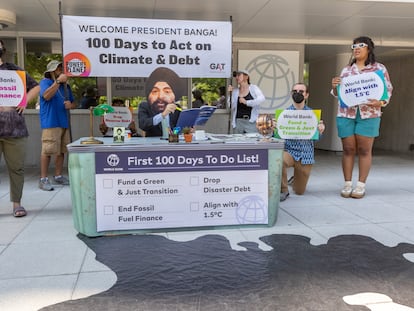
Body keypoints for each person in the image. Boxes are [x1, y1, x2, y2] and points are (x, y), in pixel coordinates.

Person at [331, 36, 393, 199]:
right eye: (354, 46)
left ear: (369, 49)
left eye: (361, 45)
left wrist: (380, 102)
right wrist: (335, 87)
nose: (356, 48)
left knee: (365, 150)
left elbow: (388, 89)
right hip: (346, 114)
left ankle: (360, 185)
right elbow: (340, 95)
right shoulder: (346, 70)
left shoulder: (379, 69)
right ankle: (347, 183)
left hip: (370, 114)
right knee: (348, 149)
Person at [0, 39, 40, 217]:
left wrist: (24, 101)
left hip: (15, 129)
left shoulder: (14, 70)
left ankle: (17, 204)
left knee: (16, 168)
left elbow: (36, 86)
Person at [279, 83, 325, 201]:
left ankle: (295, 179)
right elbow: (278, 137)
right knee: (279, 160)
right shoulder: (284, 114)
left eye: (301, 91)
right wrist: (274, 128)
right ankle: (283, 190)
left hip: (306, 154)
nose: (297, 93)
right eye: (295, 91)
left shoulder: (313, 115)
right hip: (289, 151)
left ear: (306, 95)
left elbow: (317, 138)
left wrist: (320, 131)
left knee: (299, 191)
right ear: (291, 94)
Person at [38, 60, 76, 191]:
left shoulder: (66, 87)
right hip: (51, 121)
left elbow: (73, 103)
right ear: (52, 71)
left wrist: (70, 105)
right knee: (47, 150)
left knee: (61, 151)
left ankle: (58, 175)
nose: (61, 70)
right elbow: (46, 96)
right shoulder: (45, 82)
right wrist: (58, 82)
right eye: (58, 68)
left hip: (64, 121)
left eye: (61, 68)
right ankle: (43, 179)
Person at [138, 67, 184, 137]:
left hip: (173, 144)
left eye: (167, 92)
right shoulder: (145, 106)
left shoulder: (176, 108)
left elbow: (179, 128)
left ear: (175, 95)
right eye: (155, 91)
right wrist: (163, 115)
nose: (161, 96)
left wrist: (187, 129)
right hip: (154, 145)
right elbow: (143, 125)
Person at [228, 69, 265, 134]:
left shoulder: (253, 88)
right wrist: (230, 94)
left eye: (239, 75)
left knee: (251, 142)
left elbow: (262, 99)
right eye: (236, 76)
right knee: (237, 142)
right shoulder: (235, 91)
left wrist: (247, 102)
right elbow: (231, 106)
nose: (237, 77)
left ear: (246, 77)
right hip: (238, 122)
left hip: (251, 121)